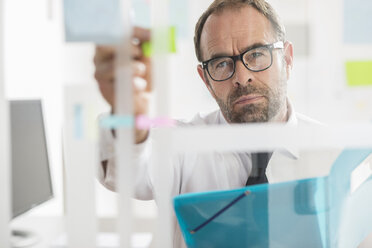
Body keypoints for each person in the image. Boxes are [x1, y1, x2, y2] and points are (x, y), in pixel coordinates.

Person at [94, 0, 340, 247]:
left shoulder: (335, 156)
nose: (242, 77)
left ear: (286, 60)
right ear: (206, 81)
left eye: (256, 54)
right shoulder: (184, 145)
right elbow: (129, 169)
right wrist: (129, 114)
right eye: (221, 63)